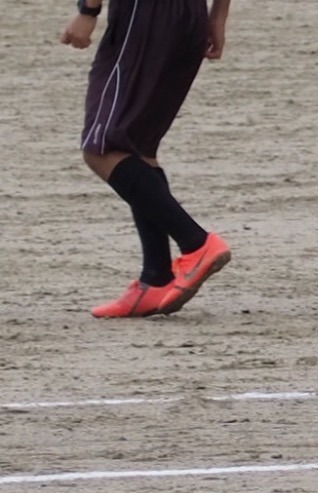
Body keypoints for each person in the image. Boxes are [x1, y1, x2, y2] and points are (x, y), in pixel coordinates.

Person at [61, 0, 232, 318]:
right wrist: (217, 16)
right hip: (188, 16)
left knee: (102, 149)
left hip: (145, 18)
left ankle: (197, 243)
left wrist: (88, 11)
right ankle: (156, 278)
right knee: (139, 147)